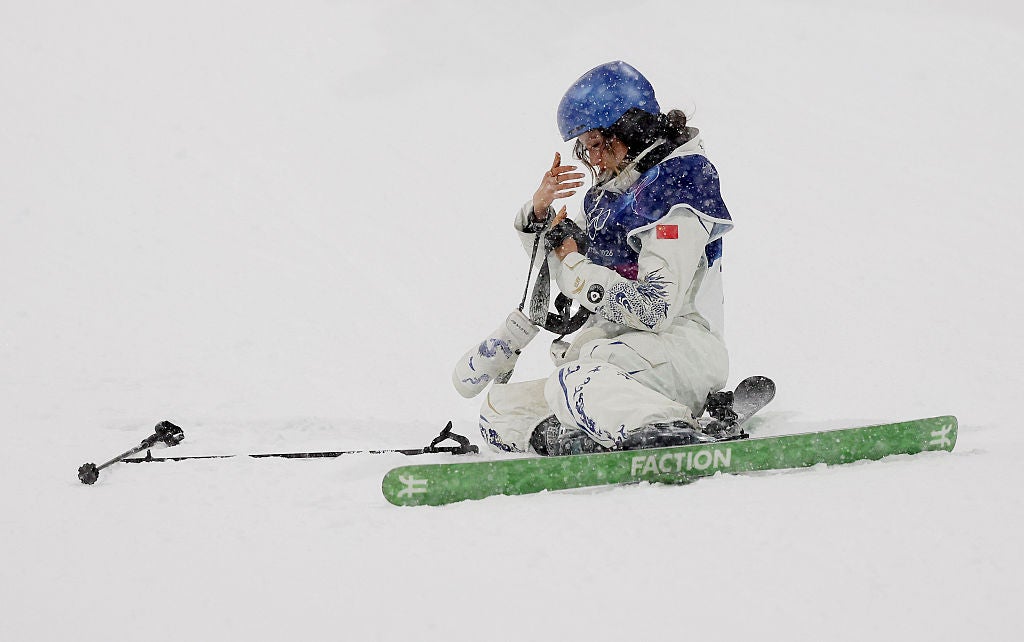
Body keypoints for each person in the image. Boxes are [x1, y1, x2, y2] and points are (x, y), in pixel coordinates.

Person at [452, 61, 734, 455]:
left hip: (678, 351)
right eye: (586, 148)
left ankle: (664, 429)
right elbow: (566, 272)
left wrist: (574, 264)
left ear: (633, 130)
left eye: (599, 144)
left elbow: (653, 310)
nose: (594, 160)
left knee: (571, 381)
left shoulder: (678, 190)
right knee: (500, 411)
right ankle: (592, 434)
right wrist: (539, 217)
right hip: (621, 358)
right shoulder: (613, 194)